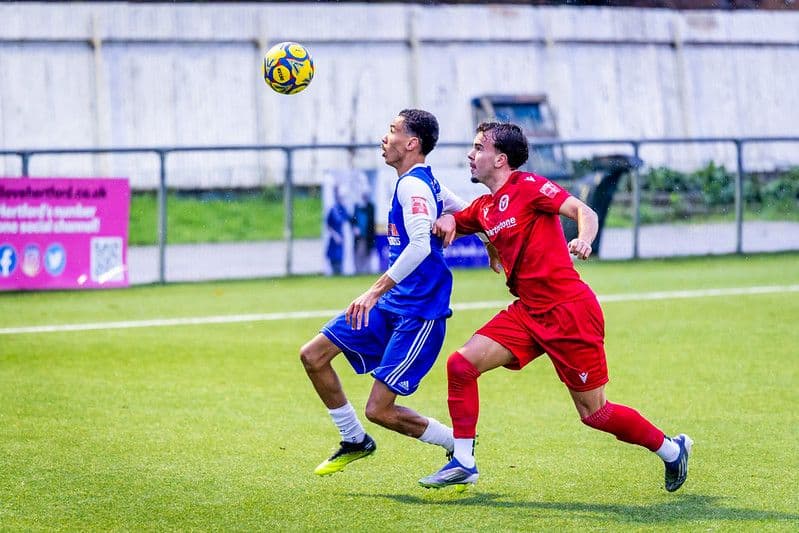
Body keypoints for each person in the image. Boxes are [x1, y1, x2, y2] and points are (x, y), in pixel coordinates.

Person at [419, 122, 692, 492]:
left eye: (478, 147)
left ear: (500, 159)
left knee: (595, 414)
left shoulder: (529, 187)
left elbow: (585, 211)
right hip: (528, 311)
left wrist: (583, 238)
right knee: (461, 364)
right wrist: (449, 219)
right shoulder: (484, 208)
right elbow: (462, 220)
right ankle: (464, 461)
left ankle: (672, 450)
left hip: (569, 312)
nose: (470, 154)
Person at [300, 109, 500, 476]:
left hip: (418, 313)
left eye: (392, 131)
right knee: (313, 355)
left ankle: (459, 448)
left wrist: (373, 291)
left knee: (379, 410)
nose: (384, 137)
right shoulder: (421, 182)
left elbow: (421, 244)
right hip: (394, 304)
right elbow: (475, 214)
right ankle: (354, 440)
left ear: (412, 143)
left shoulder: (414, 186)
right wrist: (486, 240)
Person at [325, 186, 350, 275]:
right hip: (334, 238)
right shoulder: (333, 209)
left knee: (340, 258)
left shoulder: (343, 208)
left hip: (341, 237)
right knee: (334, 258)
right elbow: (328, 225)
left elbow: (349, 220)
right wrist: (335, 235)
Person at [352, 190, 376, 274]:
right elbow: (353, 220)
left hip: (368, 236)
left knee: (367, 254)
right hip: (359, 237)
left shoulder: (370, 207)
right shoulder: (357, 207)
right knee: (358, 254)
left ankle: (366, 271)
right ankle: (358, 271)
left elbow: (372, 222)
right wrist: (354, 227)